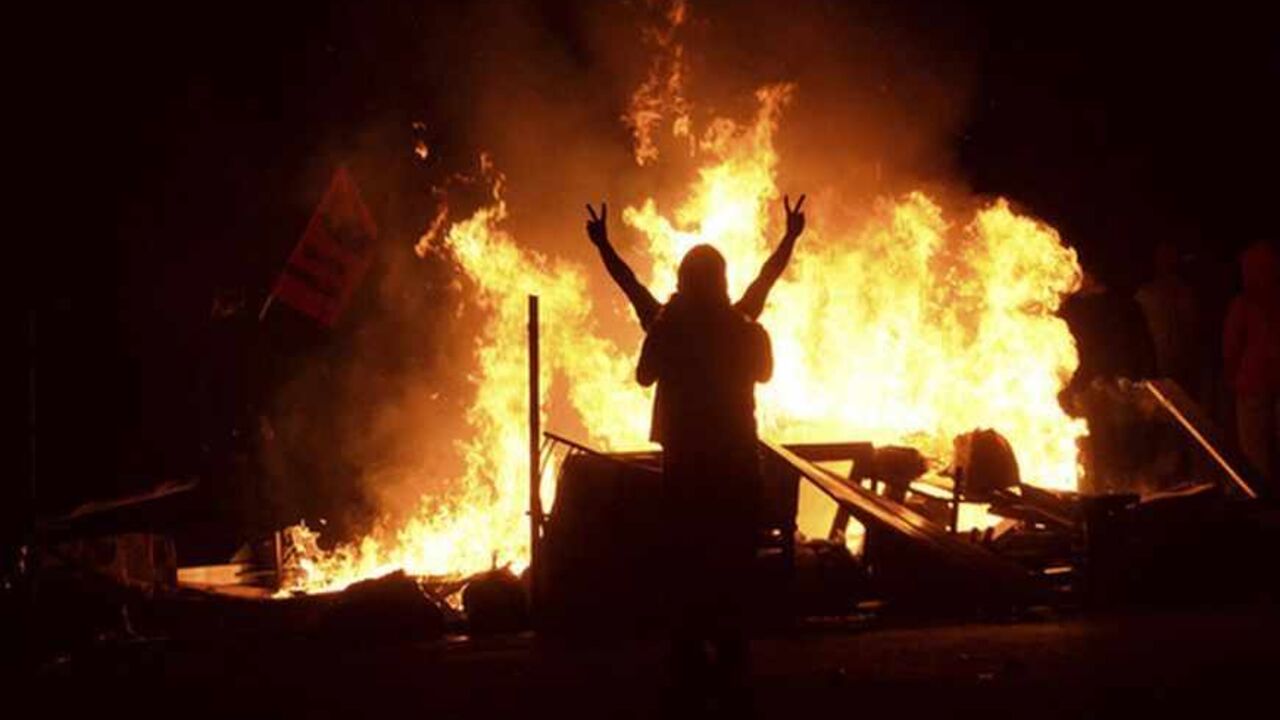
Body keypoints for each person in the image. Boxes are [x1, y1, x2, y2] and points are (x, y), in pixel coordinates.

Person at [587, 198, 801, 714]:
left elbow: (635, 308)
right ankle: (730, 666)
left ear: (684, 280)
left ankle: (687, 664)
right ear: (722, 281)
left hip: (687, 471)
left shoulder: (669, 324)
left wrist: (604, 247)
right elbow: (763, 291)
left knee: (686, 567)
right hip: (735, 468)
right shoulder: (741, 324)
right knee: (730, 566)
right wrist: (790, 238)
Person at [1223, 241, 1280, 489]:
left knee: (1254, 452)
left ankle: (1260, 502)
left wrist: (1233, 375)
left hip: (1253, 387)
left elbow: (1231, 346)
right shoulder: (1253, 303)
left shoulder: (1245, 304)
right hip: (1258, 385)